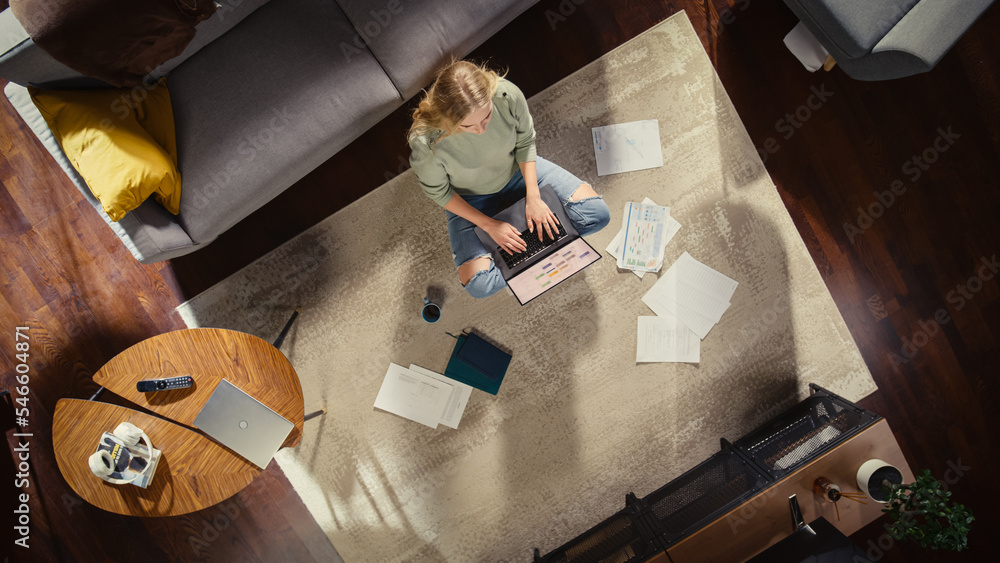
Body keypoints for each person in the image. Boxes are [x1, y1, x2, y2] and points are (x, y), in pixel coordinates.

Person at [408, 60, 611, 298]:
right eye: (467, 125)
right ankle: (539, 247)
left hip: (519, 175)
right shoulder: (425, 141)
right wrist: (489, 225)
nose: (481, 129)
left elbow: (525, 142)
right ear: (446, 120)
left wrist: (534, 197)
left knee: (598, 214)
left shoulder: (507, 94)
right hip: (471, 199)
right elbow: (439, 193)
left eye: (487, 117)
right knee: (480, 287)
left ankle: (524, 257)